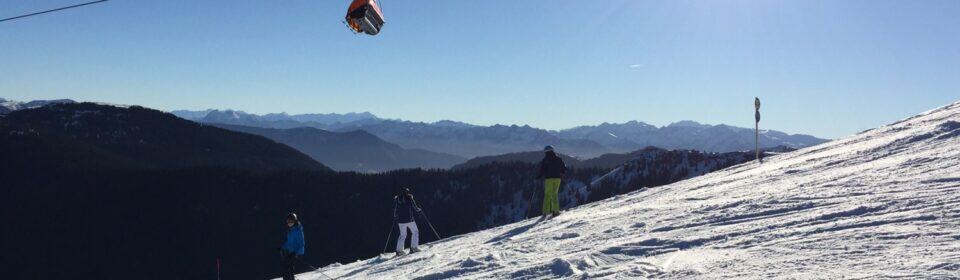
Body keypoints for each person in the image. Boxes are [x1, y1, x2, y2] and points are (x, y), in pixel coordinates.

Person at [538, 145, 566, 217]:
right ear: (553, 151)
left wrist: (539, 176)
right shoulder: (558, 159)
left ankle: (545, 211)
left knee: (547, 194)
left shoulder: (545, 160)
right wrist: (562, 173)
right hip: (557, 179)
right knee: (554, 194)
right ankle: (555, 211)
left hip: (548, 179)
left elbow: (542, 170)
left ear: (545, 152)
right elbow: (564, 167)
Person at [394, 187, 422, 256]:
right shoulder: (409, 198)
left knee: (402, 235)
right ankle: (414, 248)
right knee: (415, 232)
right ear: (407, 192)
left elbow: (395, 211)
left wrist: (395, 216)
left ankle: (399, 251)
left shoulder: (398, 199)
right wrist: (419, 209)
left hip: (400, 220)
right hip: (409, 219)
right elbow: (415, 207)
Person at [280, 213, 305, 280]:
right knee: (288, 267)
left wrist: (296, 253)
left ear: (295, 221)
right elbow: (289, 243)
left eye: (291, 221)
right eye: (288, 222)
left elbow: (301, 243)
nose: (289, 223)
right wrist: (282, 247)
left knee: (286, 267)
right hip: (291, 252)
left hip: (297, 252)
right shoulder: (291, 230)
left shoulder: (298, 230)